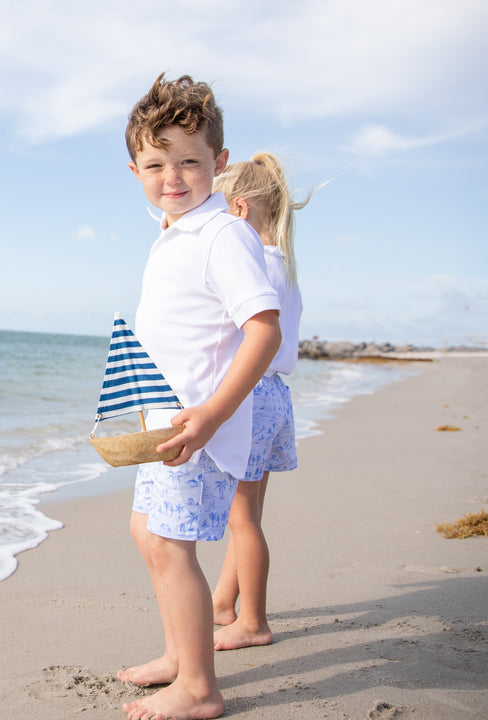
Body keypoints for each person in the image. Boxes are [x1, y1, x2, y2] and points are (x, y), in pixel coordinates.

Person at [116, 74, 282, 720]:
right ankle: (180, 658)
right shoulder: (177, 231)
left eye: (189, 161)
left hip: (198, 427)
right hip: (166, 422)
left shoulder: (221, 235)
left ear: (220, 163)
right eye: (156, 164)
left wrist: (212, 414)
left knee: (169, 542)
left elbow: (262, 330)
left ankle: (200, 688)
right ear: (135, 170)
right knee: (147, 532)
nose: (173, 176)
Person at [210, 154, 310, 652]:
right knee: (245, 512)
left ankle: (252, 620)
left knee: (241, 517)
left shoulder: (252, 264)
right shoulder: (283, 264)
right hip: (275, 397)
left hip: (251, 395)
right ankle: (225, 604)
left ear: (240, 210)